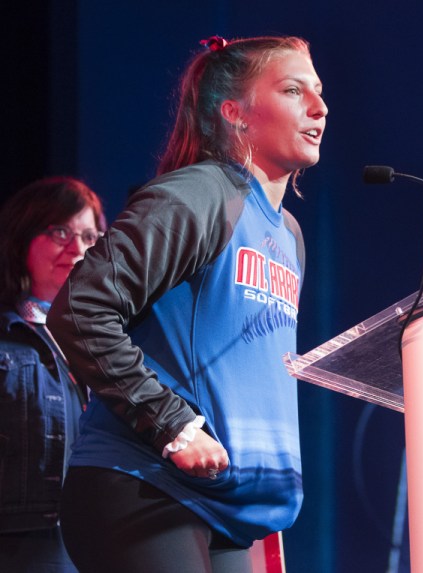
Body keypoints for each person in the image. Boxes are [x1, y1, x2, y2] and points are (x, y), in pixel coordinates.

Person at [46, 35, 327, 573]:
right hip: (146, 483)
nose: (319, 107)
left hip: (231, 505)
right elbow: (81, 309)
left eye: (319, 93)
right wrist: (171, 422)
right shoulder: (198, 195)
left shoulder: (289, 234)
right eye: (294, 90)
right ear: (235, 114)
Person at [0, 176, 106, 572]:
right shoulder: (7, 337)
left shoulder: (109, 342)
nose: (77, 248)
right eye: (60, 231)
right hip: (25, 544)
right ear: (22, 237)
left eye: (90, 236)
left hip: (98, 539)